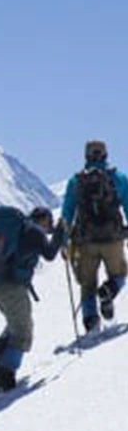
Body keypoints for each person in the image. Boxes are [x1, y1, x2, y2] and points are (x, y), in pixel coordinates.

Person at [0, 206, 65, 391]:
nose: (48, 227)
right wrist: (60, 233)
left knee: (15, 322)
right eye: (48, 222)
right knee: (23, 332)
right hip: (13, 288)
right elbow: (49, 254)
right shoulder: (34, 232)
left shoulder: (17, 230)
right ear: (44, 220)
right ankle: (5, 378)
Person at [61, 139, 128, 332]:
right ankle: (109, 290)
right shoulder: (118, 178)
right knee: (119, 274)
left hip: (85, 241)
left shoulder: (76, 181)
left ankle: (91, 323)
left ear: (86, 156)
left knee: (87, 284)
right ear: (105, 155)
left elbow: (67, 212)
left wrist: (64, 242)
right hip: (113, 238)